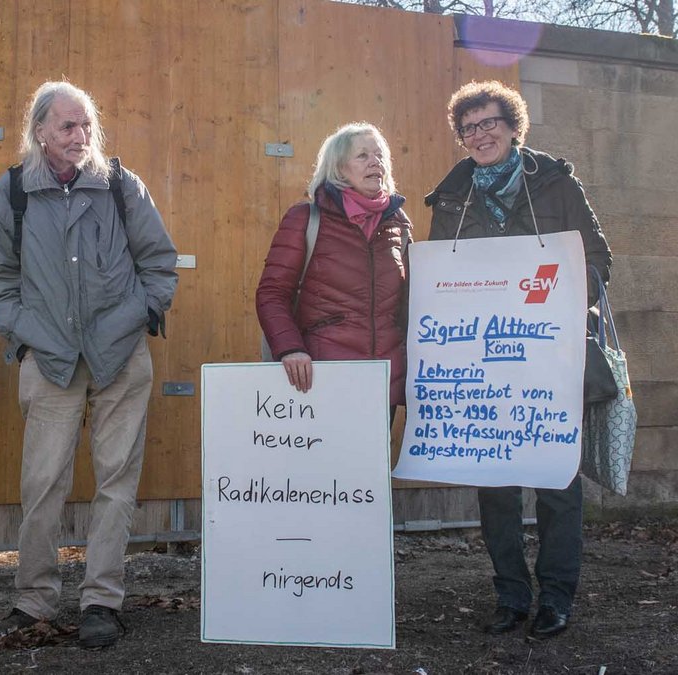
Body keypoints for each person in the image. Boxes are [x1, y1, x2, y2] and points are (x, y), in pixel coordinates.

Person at [0, 81, 178, 648]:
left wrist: (142, 314)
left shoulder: (121, 186)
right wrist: (26, 334)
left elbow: (159, 262)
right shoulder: (12, 194)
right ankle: (33, 600)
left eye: (87, 124)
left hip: (121, 355)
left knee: (117, 482)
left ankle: (101, 601)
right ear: (39, 130)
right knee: (42, 482)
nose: (80, 135)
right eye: (67, 125)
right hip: (50, 359)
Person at [425, 81, 612, 639]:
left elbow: (597, 259)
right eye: (469, 128)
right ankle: (510, 595)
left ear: (512, 127)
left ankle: (556, 597)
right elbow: (437, 275)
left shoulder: (555, 182)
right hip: (483, 362)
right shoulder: (452, 196)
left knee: (558, 483)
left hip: (551, 356)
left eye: (489, 123)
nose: (480, 135)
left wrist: (563, 293)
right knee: (496, 486)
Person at [256, 122, 411, 408]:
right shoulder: (306, 219)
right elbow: (272, 293)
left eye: (379, 155)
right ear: (338, 169)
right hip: (321, 379)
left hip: (384, 383)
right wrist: (290, 349)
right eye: (362, 156)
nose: (375, 162)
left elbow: (409, 306)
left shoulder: (398, 226)